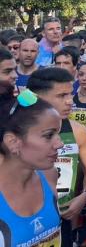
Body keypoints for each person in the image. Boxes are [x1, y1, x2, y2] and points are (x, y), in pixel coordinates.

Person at [28, 67, 86, 247]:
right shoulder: (17, 132)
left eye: (70, 94)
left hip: (62, 215)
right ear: (37, 97)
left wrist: (84, 196)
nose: (69, 101)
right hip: (27, 217)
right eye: (61, 96)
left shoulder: (78, 131)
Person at [0, 90, 63, 247]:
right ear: (13, 142)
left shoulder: (50, 174)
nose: (60, 144)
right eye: (49, 135)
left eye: (58, 134)